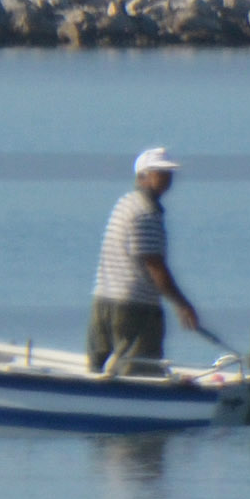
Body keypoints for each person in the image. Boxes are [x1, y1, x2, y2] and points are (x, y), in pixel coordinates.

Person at [89, 147, 201, 373]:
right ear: (143, 176)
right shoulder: (146, 212)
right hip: (134, 308)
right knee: (140, 372)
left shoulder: (125, 203)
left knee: (98, 371)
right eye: (160, 172)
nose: (167, 178)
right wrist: (182, 304)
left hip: (103, 300)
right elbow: (154, 266)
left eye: (169, 173)